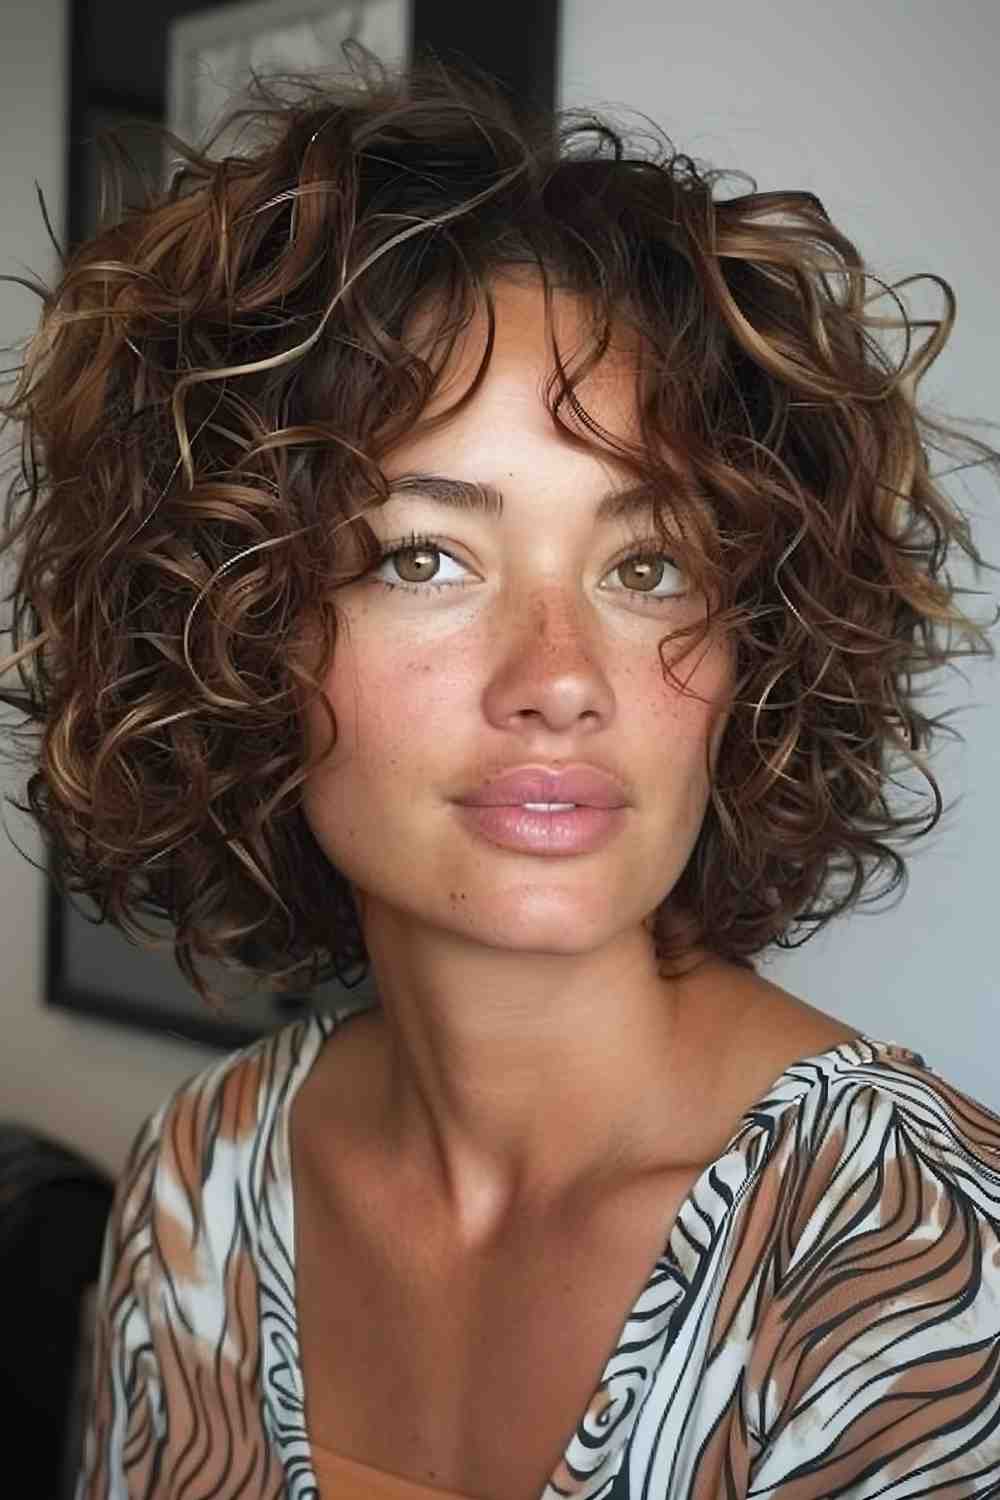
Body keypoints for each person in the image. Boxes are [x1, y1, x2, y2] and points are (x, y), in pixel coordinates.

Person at [3, 49, 1000, 1500]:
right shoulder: (198, 1179)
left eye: (647, 567)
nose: (559, 675)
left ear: (756, 648)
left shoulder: (923, 1265)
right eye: (425, 558)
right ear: (235, 629)